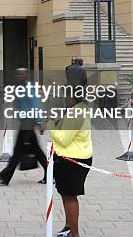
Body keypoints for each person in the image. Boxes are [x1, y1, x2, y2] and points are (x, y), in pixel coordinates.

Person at [47, 93, 93, 237]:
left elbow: (63, 139)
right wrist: (57, 120)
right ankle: (68, 227)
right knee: (65, 194)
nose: (64, 98)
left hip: (73, 160)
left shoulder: (76, 113)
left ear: (73, 98)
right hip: (72, 157)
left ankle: (74, 234)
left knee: (70, 197)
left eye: (66, 96)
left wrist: (50, 125)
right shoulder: (79, 108)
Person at [0, 68, 47, 186]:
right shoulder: (20, 86)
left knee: (18, 150)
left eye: (21, 74)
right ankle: (51, 174)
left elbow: (35, 104)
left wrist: (39, 121)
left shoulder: (28, 87)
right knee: (36, 150)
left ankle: (4, 176)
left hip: (29, 121)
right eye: (17, 74)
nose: (18, 76)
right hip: (25, 121)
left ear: (26, 75)